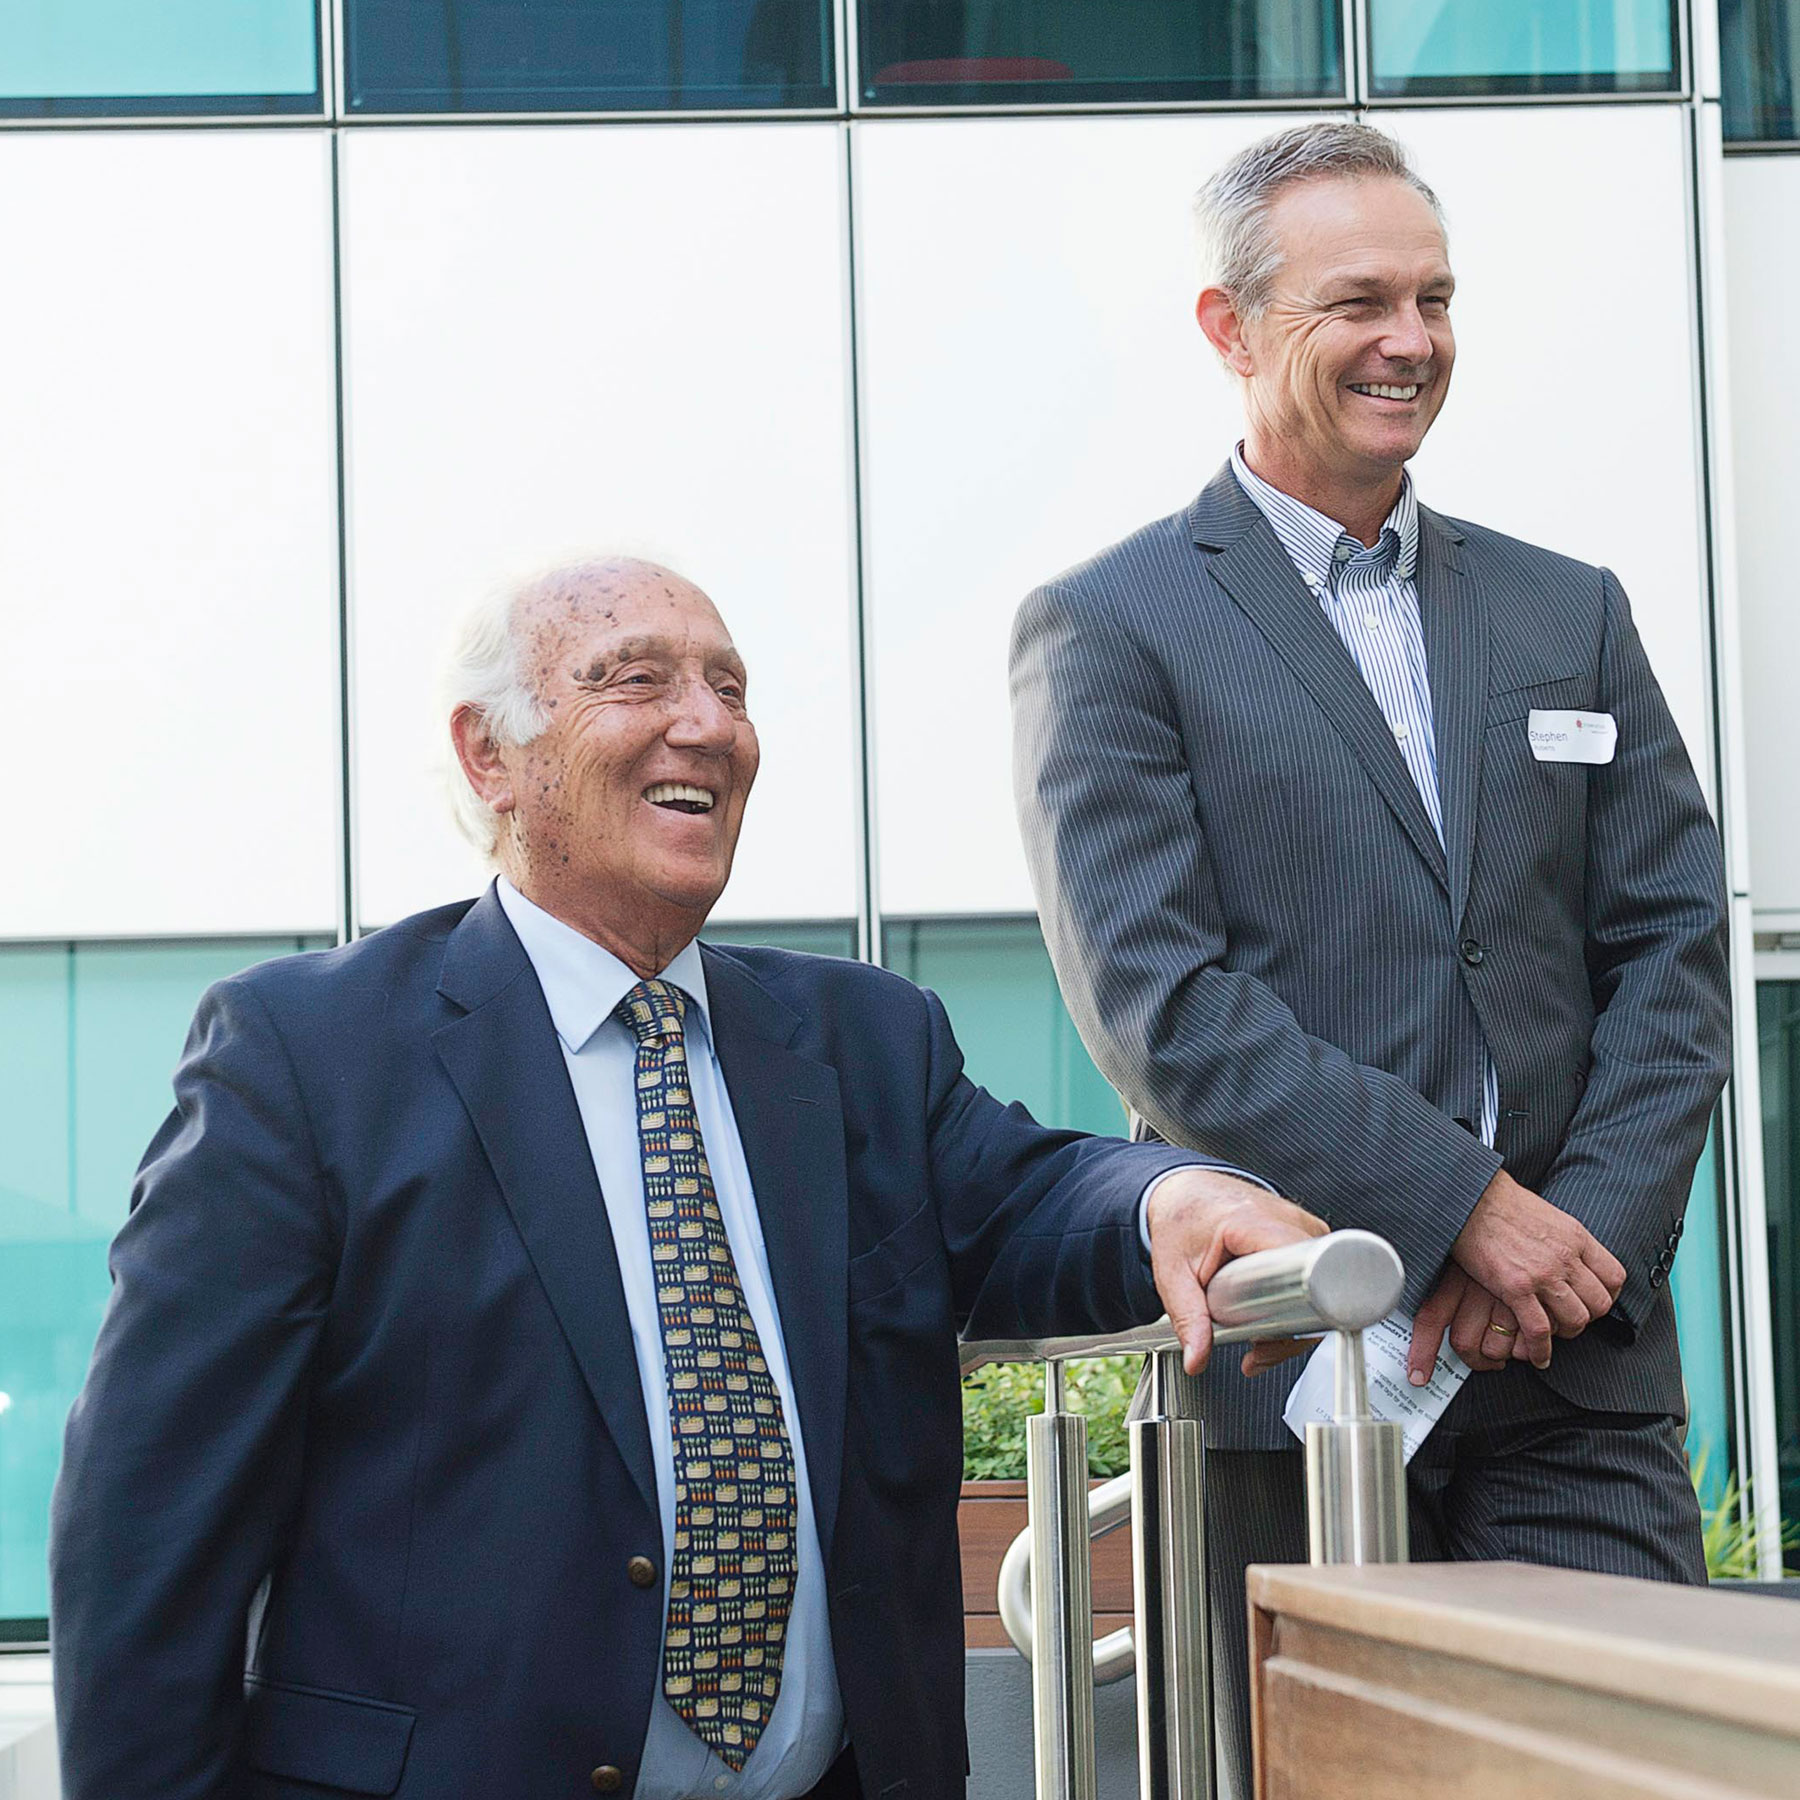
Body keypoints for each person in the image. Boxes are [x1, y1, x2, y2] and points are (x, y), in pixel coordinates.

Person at [50, 555, 1323, 1800]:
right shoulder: (308, 1055)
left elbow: (1024, 1193)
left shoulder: (863, 1040)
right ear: (489, 755)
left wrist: (1173, 1196)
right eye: (636, 679)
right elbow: (150, 1529)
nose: (709, 726)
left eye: (731, 685)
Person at [1010, 121, 1731, 1795]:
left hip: (1574, 1365)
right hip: (1293, 1377)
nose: (1411, 338)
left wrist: (1574, 1250)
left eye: (1435, 297)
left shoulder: (1574, 614)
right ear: (1230, 329)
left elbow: (1674, 953)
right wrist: (1460, 1209)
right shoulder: (1112, 628)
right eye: (1358, 303)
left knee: (1642, 1770)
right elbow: (1162, 1002)